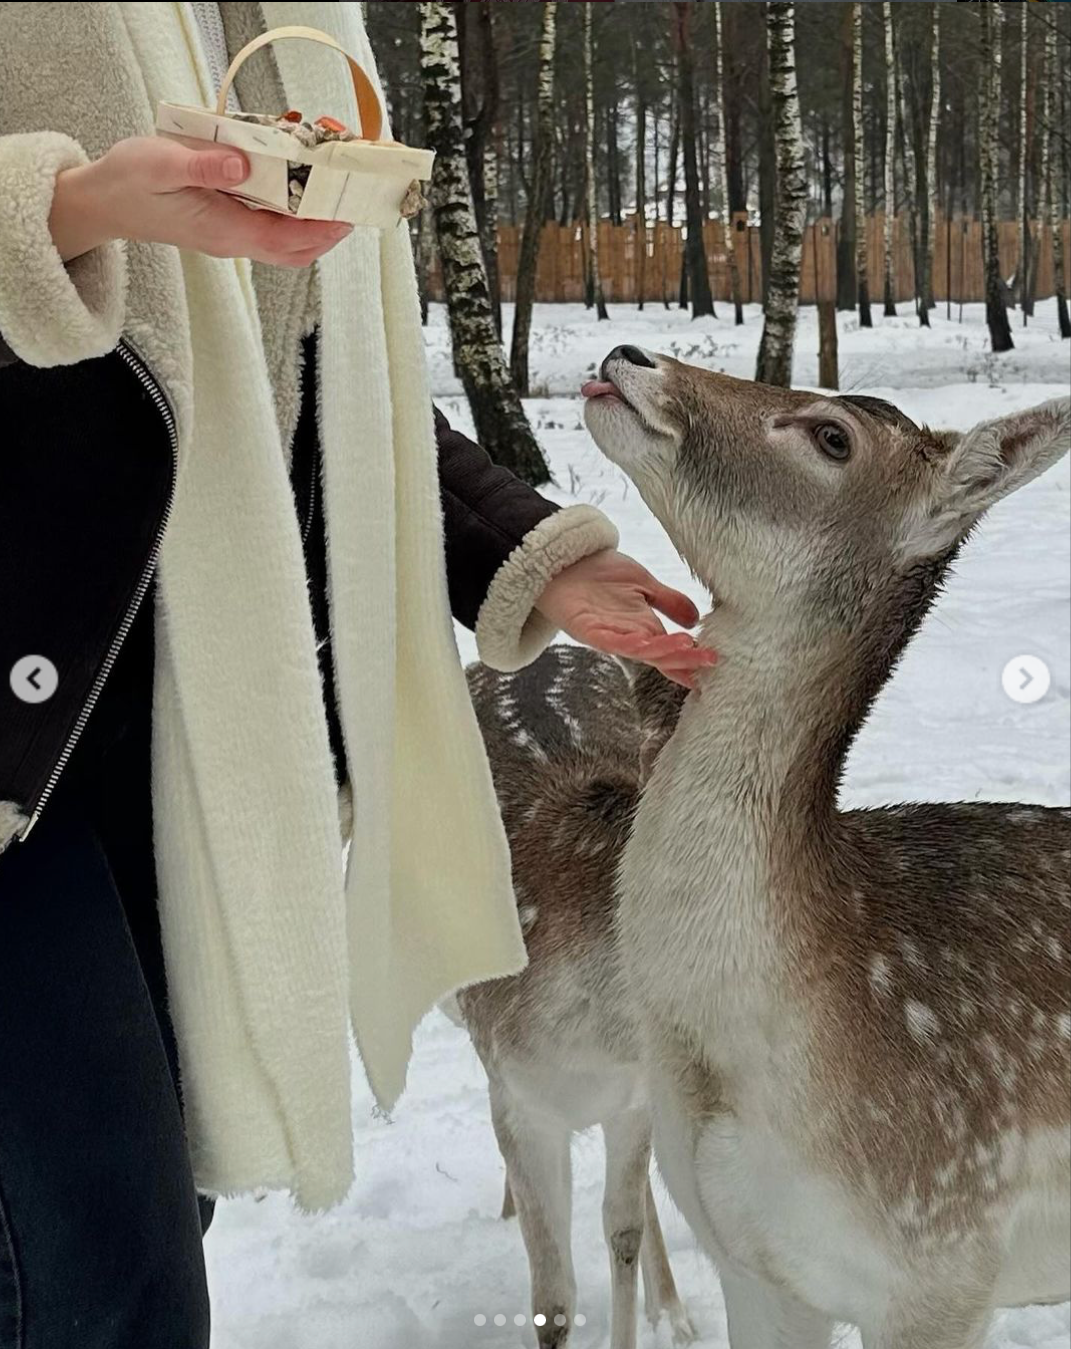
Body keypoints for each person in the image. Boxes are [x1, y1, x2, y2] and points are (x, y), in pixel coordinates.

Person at [0, 5, 713, 1346]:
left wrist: (525, 555)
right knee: (84, 1268)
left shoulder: (292, 20)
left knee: (143, 1244)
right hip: (18, 738)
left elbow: (299, 375)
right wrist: (68, 210)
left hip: (166, 737)